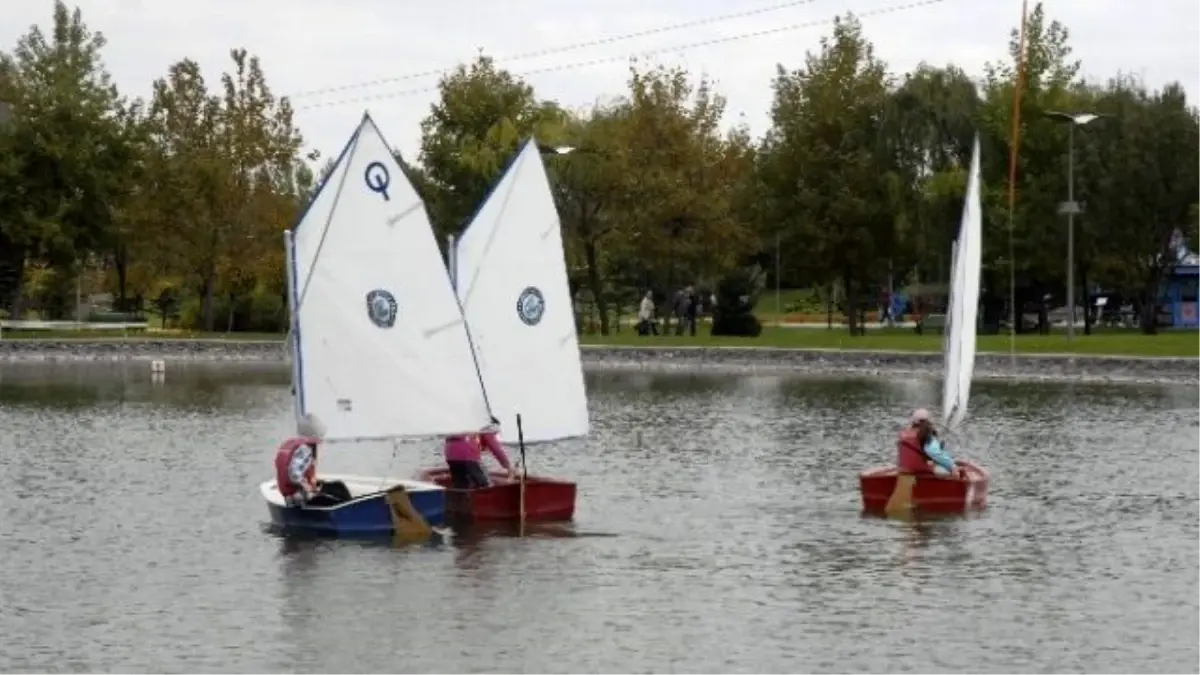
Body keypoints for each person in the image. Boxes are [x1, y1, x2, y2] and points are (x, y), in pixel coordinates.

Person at [274, 413, 351, 507]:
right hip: (298, 497)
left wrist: (312, 483)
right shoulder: (305, 449)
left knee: (338, 485)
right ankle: (351, 510)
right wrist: (309, 488)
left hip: (291, 494)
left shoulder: (291, 444)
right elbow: (294, 474)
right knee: (339, 490)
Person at [443, 417, 517, 490]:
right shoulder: (487, 427)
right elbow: (495, 448)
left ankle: (460, 500)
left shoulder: (470, 425)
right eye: (496, 433)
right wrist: (509, 467)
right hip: (468, 455)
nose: (495, 435)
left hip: (450, 455)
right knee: (486, 485)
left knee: (461, 485)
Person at [896, 408, 965, 479]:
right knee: (949, 471)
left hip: (904, 470)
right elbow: (934, 452)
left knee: (932, 462)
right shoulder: (925, 435)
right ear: (928, 422)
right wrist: (953, 467)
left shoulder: (904, 434)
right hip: (919, 471)